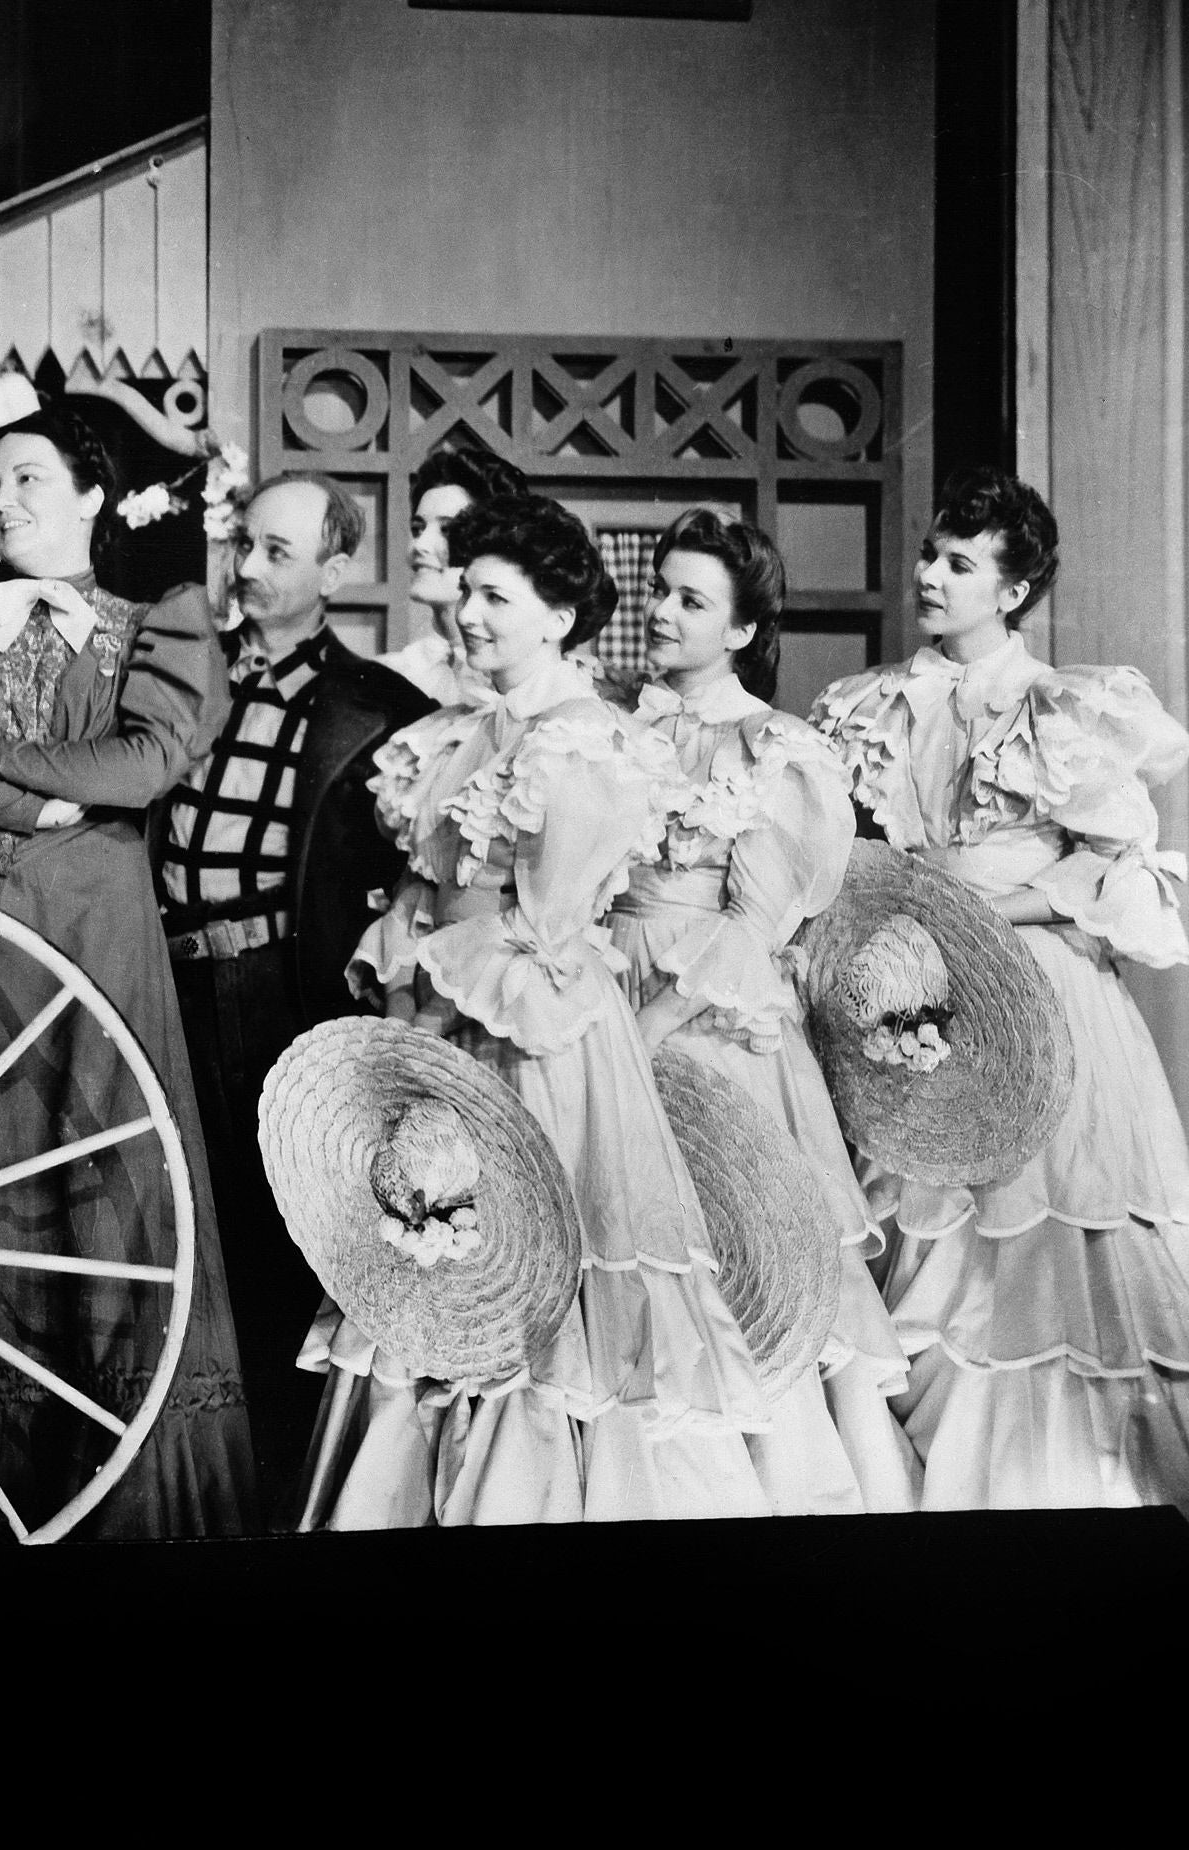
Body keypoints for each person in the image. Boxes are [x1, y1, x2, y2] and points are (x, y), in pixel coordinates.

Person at [304, 491, 775, 1525]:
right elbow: (422, 896)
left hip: (539, 1044)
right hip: (446, 1024)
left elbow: (550, 934)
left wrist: (445, 1015)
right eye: (466, 592)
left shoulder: (584, 745)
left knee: (535, 1278)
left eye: (494, 597)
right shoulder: (456, 734)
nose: (468, 614)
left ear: (559, 615)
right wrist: (408, 1008)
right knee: (428, 1263)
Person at [0, 404, 258, 1539]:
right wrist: (41, 796)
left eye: (31, 477)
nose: (8, 499)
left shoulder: (161, 623)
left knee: (106, 1163)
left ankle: (118, 1490)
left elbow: (145, 763)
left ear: (93, 493)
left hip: (97, 937)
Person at [809, 468, 1189, 1508]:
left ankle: (1059, 1495)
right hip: (913, 983)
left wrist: (984, 913)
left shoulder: (1065, 709)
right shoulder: (869, 705)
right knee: (926, 1218)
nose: (930, 574)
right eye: (931, 552)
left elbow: (1122, 868)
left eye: (961, 562)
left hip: (1044, 989)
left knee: (1046, 1230)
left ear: (1013, 591)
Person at [615, 508, 915, 1511]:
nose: (662, 609)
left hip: (709, 1016)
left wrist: (651, 1025)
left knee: (734, 1250)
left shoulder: (774, 747)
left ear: (743, 630)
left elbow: (760, 920)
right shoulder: (620, 727)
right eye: (661, 588)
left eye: (690, 599)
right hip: (608, 979)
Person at [150, 470, 429, 1524]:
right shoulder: (180, 676)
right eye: (245, 546)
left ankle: (267, 1491)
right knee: (180, 1223)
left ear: (336, 568)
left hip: (282, 994)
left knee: (278, 1237)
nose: (250, 569)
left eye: (278, 550)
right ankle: (185, 1481)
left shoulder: (381, 709)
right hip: (167, 975)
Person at [377, 441, 529, 709]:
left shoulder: (527, 679)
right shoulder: (395, 673)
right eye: (417, 528)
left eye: (447, 530)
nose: (419, 545)